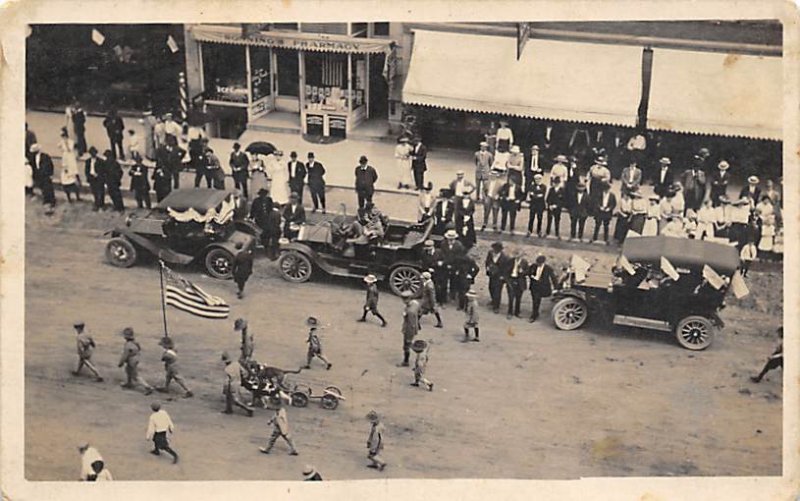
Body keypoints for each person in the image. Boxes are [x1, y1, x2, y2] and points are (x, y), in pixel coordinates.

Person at [118, 327, 154, 394]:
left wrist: (121, 363)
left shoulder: (128, 345)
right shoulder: (135, 342)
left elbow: (125, 355)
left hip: (132, 361)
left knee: (135, 376)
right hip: (136, 358)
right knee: (128, 370)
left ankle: (148, 387)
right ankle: (129, 383)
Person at [221, 351, 254, 417]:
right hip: (238, 382)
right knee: (228, 398)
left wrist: (225, 389)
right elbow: (245, 373)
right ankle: (228, 409)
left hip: (232, 384)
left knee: (236, 400)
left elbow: (227, 381)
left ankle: (249, 409)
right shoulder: (236, 364)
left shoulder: (227, 369)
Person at [439, 230, 465, 304]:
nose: (450, 240)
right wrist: (445, 263)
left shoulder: (459, 245)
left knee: (454, 282)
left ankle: (452, 296)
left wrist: (457, 267)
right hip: (445, 266)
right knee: (443, 283)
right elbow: (442, 254)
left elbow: (460, 257)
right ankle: (443, 300)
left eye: (452, 238)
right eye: (449, 238)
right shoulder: (443, 244)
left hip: (455, 266)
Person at [527, 255, 556, 322]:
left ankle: (534, 314)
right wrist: (531, 276)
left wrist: (556, 287)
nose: (538, 264)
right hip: (534, 286)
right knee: (535, 300)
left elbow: (553, 278)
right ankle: (535, 314)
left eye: (539, 263)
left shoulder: (548, 268)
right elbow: (528, 272)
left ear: (543, 263)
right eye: (537, 263)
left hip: (542, 287)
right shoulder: (533, 266)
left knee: (537, 300)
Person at [58, 128, 82, 203]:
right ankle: (69, 197)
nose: (63, 137)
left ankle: (78, 195)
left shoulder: (71, 142)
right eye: (62, 136)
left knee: (74, 173)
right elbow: (59, 147)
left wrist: (66, 143)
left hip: (70, 157)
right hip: (65, 158)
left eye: (64, 136)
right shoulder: (61, 142)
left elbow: (69, 149)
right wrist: (62, 143)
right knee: (66, 174)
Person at [30, 144, 56, 212]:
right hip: (39, 176)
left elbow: (50, 165)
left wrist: (50, 174)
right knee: (43, 188)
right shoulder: (33, 157)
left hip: (46, 175)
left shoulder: (45, 156)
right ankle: (46, 201)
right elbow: (33, 166)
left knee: (48, 188)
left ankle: (52, 202)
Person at [503, 248, 528, 319]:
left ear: (521, 256)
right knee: (511, 298)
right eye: (516, 255)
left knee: (518, 298)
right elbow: (506, 271)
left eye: (519, 255)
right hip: (511, 280)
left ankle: (517, 312)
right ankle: (510, 312)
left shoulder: (524, 262)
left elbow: (527, 272)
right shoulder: (510, 261)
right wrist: (507, 281)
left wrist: (522, 271)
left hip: (520, 281)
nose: (517, 257)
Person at [485, 241, 507, 314]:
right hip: (492, 274)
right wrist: (487, 268)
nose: (494, 251)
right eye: (494, 249)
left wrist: (503, 277)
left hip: (499, 276)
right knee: (491, 287)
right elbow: (487, 261)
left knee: (497, 291)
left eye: (496, 250)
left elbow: (506, 269)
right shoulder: (490, 253)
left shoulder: (504, 257)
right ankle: (493, 300)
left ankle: (496, 306)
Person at [400, 291, 420, 367]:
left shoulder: (410, 311)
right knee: (408, 345)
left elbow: (411, 324)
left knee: (406, 346)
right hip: (413, 326)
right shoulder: (415, 304)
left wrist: (408, 335)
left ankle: (406, 361)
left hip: (409, 330)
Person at [526, 173, 547, 237]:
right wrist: (536, 195)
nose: (537, 180)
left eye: (539, 179)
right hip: (533, 204)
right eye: (536, 179)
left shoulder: (543, 186)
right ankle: (529, 230)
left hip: (540, 205)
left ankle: (539, 230)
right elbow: (531, 194)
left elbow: (541, 195)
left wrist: (535, 194)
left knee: (539, 218)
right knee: (531, 218)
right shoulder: (532, 186)